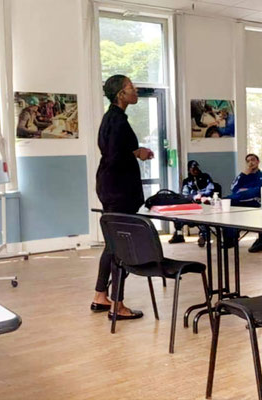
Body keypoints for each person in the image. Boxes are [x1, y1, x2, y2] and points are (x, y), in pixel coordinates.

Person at [93, 74, 154, 321]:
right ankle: (117, 304)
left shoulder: (111, 119)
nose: (136, 90)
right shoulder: (117, 122)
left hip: (109, 187)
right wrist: (137, 153)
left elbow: (112, 152)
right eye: (131, 87)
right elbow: (117, 157)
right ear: (121, 94)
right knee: (120, 246)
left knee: (111, 244)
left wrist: (134, 152)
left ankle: (100, 295)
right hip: (118, 190)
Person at [229, 154, 262, 253]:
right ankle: (230, 238)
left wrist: (245, 190)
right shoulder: (243, 175)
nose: (250, 162)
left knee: (254, 195)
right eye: (248, 161)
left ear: (258, 161)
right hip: (240, 201)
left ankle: (261, 241)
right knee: (226, 202)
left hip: (255, 201)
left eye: (253, 160)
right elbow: (233, 189)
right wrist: (243, 174)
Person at [169, 160, 215, 246]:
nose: (195, 170)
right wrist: (194, 197)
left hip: (204, 201)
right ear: (189, 170)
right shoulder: (187, 181)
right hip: (191, 202)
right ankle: (179, 234)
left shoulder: (206, 177)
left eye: (196, 168)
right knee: (177, 211)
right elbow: (185, 194)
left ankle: (203, 235)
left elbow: (210, 189)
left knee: (203, 214)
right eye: (193, 168)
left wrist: (203, 196)